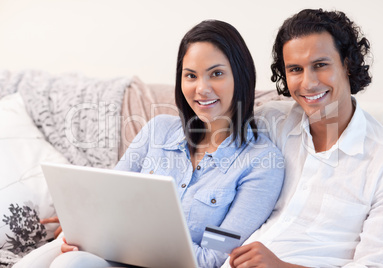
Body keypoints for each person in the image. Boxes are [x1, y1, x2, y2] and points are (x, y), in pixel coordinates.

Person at [14, 20, 284, 268]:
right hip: (112, 258)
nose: (201, 88)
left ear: (241, 75)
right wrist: (85, 233)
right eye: (190, 75)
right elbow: (104, 203)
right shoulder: (159, 130)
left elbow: (213, 257)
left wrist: (128, 239)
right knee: (55, 262)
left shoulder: (260, 163)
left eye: (216, 74)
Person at [224, 8, 383, 268]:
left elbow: (378, 265)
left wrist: (280, 267)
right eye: (295, 69)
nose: (308, 84)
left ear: (348, 65)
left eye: (320, 65)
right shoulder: (270, 122)